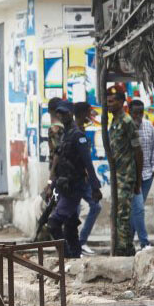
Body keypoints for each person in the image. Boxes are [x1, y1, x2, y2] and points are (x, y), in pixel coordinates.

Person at [48, 101, 93, 259]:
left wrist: (95, 187)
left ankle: (65, 255)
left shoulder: (77, 135)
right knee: (71, 225)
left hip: (74, 187)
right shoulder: (65, 135)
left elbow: (87, 162)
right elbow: (57, 159)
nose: (62, 116)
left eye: (65, 113)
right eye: (60, 113)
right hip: (63, 186)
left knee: (53, 223)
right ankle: (74, 256)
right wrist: (51, 183)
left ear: (71, 114)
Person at [106, 87, 142, 256]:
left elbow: (137, 151)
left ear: (121, 102)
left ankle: (126, 249)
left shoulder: (127, 122)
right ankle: (122, 246)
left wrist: (138, 180)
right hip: (117, 175)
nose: (108, 104)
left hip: (127, 174)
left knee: (123, 213)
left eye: (112, 101)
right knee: (118, 211)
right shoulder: (113, 122)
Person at [72, 103, 103, 256]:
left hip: (83, 180)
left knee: (96, 207)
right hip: (75, 180)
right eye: (88, 113)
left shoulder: (82, 131)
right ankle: (75, 244)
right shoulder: (74, 131)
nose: (91, 116)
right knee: (74, 211)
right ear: (82, 113)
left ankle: (81, 241)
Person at [130, 100, 154, 249]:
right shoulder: (127, 128)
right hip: (132, 177)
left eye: (140, 113)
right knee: (139, 208)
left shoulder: (148, 126)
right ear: (129, 112)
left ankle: (128, 241)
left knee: (136, 210)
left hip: (147, 175)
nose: (138, 116)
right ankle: (144, 242)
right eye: (135, 113)